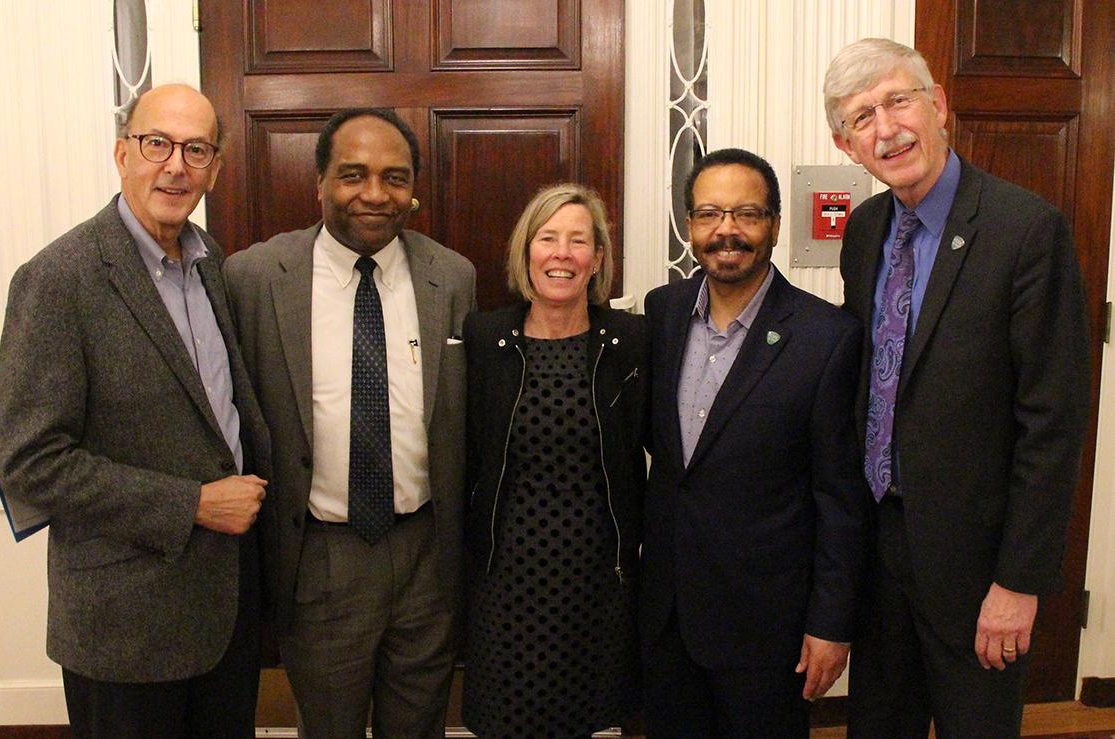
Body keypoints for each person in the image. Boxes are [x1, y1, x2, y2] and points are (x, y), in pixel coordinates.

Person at [823, 38, 1090, 738]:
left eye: (898, 101)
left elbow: (1054, 423)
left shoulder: (1025, 230)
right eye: (862, 117)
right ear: (846, 145)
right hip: (879, 551)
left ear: (938, 105)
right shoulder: (865, 231)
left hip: (978, 570)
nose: (887, 129)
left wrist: (1019, 581)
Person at [0, 83, 272, 738]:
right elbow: (31, 463)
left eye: (196, 149)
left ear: (214, 169)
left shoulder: (210, 261)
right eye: (157, 144)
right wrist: (193, 504)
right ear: (123, 154)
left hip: (224, 609)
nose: (176, 166)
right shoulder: (59, 278)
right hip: (125, 626)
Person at [224, 107, 476, 739]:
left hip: (426, 554)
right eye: (353, 174)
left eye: (395, 177)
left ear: (412, 189)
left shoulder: (452, 276)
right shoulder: (255, 277)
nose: (375, 194)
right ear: (320, 183)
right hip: (320, 559)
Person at [641, 148, 869, 737]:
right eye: (709, 214)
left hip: (767, 628)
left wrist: (831, 623)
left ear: (773, 224)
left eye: (746, 213)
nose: (727, 230)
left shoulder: (826, 338)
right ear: (689, 225)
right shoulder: (662, 312)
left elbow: (840, 497)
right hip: (667, 618)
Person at [460, 183, 647, 738]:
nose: (562, 253)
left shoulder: (630, 341)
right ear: (526, 252)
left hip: (595, 579)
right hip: (505, 577)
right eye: (547, 238)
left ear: (598, 259)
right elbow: (464, 454)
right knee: (507, 719)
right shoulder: (485, 337)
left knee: (580, 718)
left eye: (578, 241)